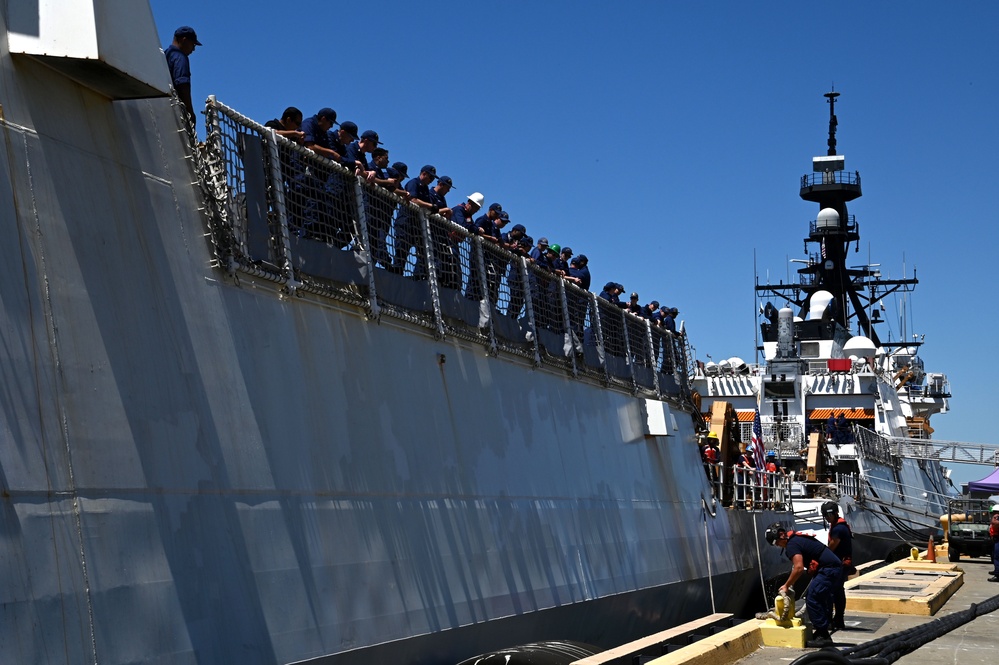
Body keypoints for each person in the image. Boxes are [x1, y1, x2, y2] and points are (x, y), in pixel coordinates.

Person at [765, 523, 841, 647]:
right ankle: (823, 630)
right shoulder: (797, 540)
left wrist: (786, 585)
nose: (778, 546)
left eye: (776, 543)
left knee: (812, 598)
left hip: (828, 569)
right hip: (832, 568)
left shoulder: (792, 545)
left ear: (780, 536)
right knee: (822, 598)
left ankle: (824, 636)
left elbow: (799, 568)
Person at [822, 501, 853, 631]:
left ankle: (831, 620)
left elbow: (832, 546)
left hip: (839, 565)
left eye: (829, 515)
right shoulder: (838, 526)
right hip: (842, 564)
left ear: (835, 513)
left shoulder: (838, 529)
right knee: (838, 591)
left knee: (831, 592)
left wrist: (820, 556)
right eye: (825, 515)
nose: (827, 518)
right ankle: (839, 619)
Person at [164, 26, 201, 128]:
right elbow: (183, 85)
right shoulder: (180, 57)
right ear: (184, 40)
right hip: (174, 110)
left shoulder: (165, 54)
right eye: (193, 44)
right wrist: (190, 112)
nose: (193, 49)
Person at [989, 505, 999, 582]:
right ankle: (996, 571)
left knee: (997, 557)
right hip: (995, 538)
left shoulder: (996, 517)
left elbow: (995, 524)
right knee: (994, 556)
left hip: (998, 538)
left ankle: (997, 575)